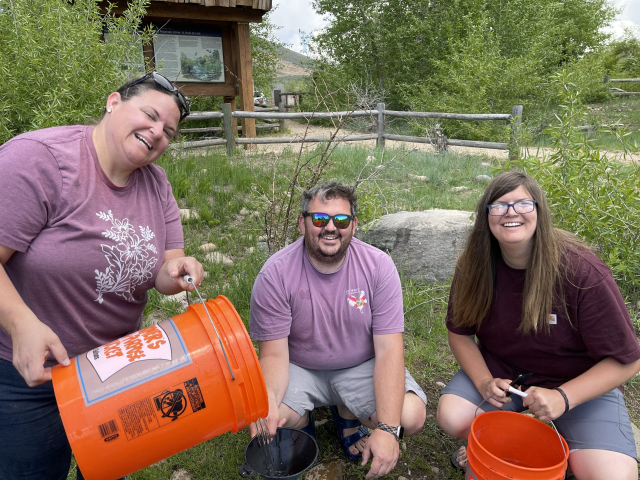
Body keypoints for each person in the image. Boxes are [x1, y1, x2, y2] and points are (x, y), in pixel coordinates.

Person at [0, 71, 205, 480]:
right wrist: (22, 324)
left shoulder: (157, 184)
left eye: (168, 131)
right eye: (149, 115)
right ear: (113, 102)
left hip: (115, 371)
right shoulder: (39, 158)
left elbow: (164, 271)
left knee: (106, 472)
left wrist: (178, 271)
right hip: (27, 377)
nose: (157, 133)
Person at [437, 171, 640, 479]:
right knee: (453, 418)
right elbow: (459, 333)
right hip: (504, 377)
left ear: (539, 211)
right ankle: (497, 439)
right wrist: (483, 382)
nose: (511, 213)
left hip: (578, 386)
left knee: (612, 475)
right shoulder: (474, 264)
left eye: (523, 204)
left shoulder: (581, 272)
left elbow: (628, 361)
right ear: (486, 215)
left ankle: (564, 452)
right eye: (499, 206)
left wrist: (563, 396)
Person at [249, 181, 427, 479]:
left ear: (353, 225)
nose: (330, 227)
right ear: (302, 224)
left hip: (360, 366)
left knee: (410, 417)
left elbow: (389, 350)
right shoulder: (275, 274)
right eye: (319, 219)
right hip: (298, 368)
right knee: (269, 417)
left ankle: (348, 413)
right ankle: (302, 420)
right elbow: (274, 356)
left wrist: (386, 428)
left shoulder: (379, 267)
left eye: (341, 220)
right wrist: (266, 403)